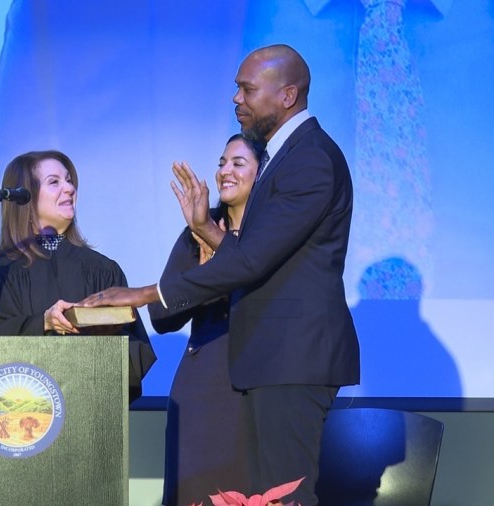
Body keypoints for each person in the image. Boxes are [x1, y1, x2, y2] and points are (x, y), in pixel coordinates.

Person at [81, 44, 360, 505]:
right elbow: (249, 256)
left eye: (247, 89)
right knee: (267, 496)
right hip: (272, 360)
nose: (236, 99)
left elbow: (250, 260)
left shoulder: (309, 157)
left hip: (294, 358)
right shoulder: (286, 157)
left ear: (287, 95)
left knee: (287, 495)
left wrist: (143, 293)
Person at [0, 150, 155, 402]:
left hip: (88, 413)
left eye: (69, 180)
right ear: (24, 198)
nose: (69, 188)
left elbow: (136, 352)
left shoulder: (102, 270)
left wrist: (105, 336)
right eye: (54, 182)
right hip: (18, 419)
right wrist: (43, 323)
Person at [152, 134, 262, 505]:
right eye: (221, 163)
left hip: (258, 389)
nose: (225, 171)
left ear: (262, 174)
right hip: (201, 390)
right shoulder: (196, 231)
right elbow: (160, 314)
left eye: (238, 163)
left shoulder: (274, 236)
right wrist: (198, 281)